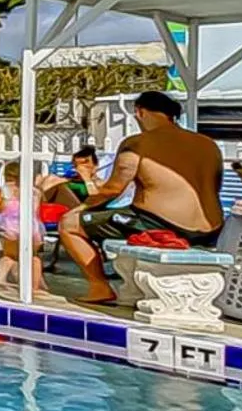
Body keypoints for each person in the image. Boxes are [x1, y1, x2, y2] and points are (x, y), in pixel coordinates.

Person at [59, 91, 225, 304]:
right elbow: (214, 186)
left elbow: (112, 190)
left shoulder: (138, 143)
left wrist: (82, 209)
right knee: (117, 218)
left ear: (140, 112)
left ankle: (99, 287)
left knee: (69, 223)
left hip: (161, 224)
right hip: (211, 229)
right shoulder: (207, 144)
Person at [0, 160, 50, 293]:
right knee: (34, 256)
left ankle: (1, 279)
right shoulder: (35, 191)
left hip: (10, 227)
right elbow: (36, 210)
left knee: (9, 255)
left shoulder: (5, 191)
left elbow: (1, 208)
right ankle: (35, 285)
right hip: (32, 228)